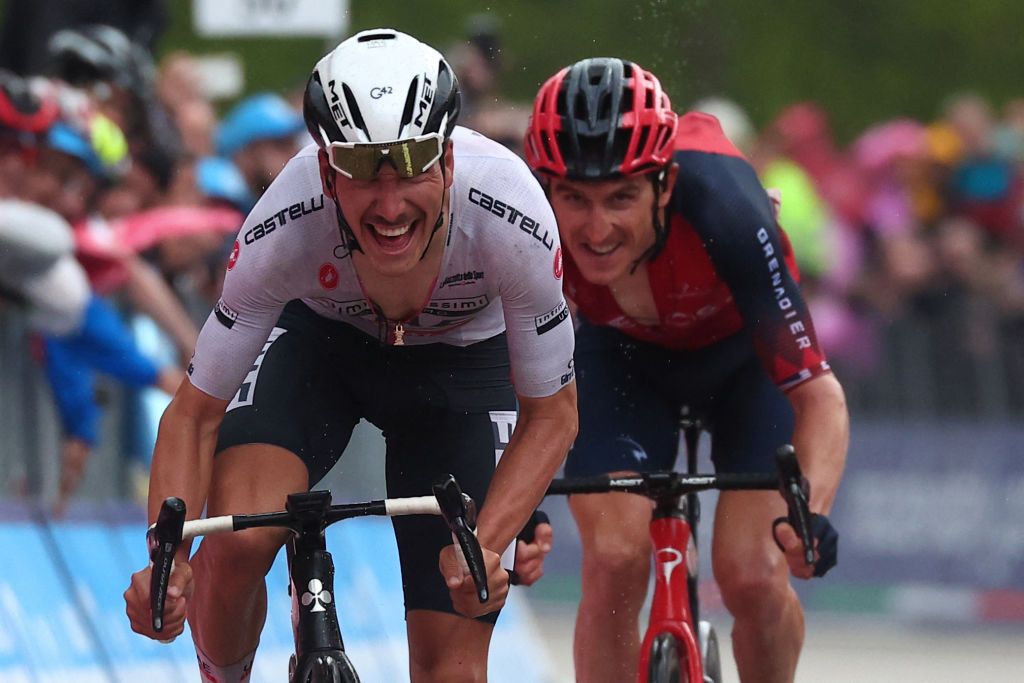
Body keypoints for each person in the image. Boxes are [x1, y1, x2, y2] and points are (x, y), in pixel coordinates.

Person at [124, 28, 575, 683]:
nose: (390, 205)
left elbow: (554, 413)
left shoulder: (512, 214)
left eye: (412, 165)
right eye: (363, 169)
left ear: (448, 163)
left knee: (453, 656)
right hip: (323, 349)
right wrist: (168, 559)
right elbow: (194, 413)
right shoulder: (284, 219)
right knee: (239, 542)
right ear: (328, 174)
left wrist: (488, 540)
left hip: (460, 370)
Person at [524, 58, 848, 683]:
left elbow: (818, 393)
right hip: (619, 362)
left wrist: (811, 517)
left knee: (753, 574)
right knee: (616, 558)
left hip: (741, 366)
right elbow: (510, 375)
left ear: (664, 186)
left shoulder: (726, 206)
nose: (596, 229)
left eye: (621, 197)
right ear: (546, 187)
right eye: (575, 199)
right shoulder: (523, 217)